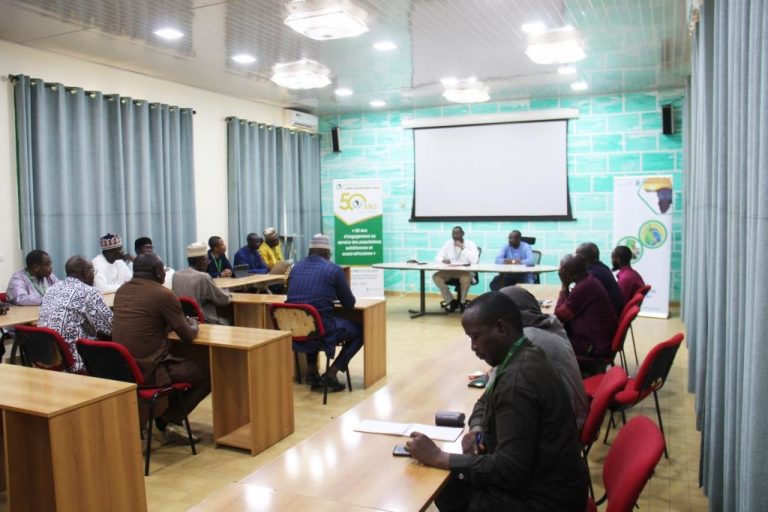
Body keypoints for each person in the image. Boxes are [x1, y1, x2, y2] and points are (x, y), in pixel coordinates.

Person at [405, 292, 588, 511]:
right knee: (453, 486)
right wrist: (477, 429)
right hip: (551, 485)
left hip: (545, 500)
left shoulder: (517, 381)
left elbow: (509, 469)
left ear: (501, 328)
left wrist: (438, 457)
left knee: (448, 488)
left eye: (475, 337)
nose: (473, 347)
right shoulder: (523, 353)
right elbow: (484, 401)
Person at [112, 253, 209, 443]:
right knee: (207, 373)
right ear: (157, 272)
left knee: (182, 362)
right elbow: (188, 336)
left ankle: (165, 416)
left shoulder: (122, 291)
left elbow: (147, 321)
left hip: (125, 368)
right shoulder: (163, 294)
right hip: (149, 368)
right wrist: (193, 324)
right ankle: (169, 420)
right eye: (163, 270)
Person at [499, 285, 589, 430]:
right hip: (572, 417)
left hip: (564, 430)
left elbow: (495, 390)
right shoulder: (550, 323)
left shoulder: (527, 338)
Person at [286, 234, 362, 392]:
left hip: (296, 327)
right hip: (321, 329)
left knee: (311, 322)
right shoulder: (334, 270)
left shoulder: (295, 268)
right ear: (327, 253)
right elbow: (349, 303)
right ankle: (332, 373)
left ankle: (311, 372)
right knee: (361, 330)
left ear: (310, 252)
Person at [37, 256, 113, 373]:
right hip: (76, 361)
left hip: (48, 358)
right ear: (86, 273)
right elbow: (110, 328)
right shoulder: (88, 292)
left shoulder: (51, 289)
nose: (94, 276)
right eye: (93, 272)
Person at [555, 254, 617, 373]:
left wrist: (564, 286)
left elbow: (559, 316)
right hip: (599, 341)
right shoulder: (589, 281)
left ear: (565, 271)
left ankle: (564, 380)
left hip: (593, 347)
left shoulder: (583, 287)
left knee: (549, 342)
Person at [173, 242, 232, 325]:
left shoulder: (176, 275)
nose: (208, 263)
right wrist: (228, 291)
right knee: (230, 318)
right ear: (201, 261)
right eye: (207, 260)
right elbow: (223, 299)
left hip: (183, 321)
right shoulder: (203, 277)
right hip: (203, 320)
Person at [433, 226, 480, 312]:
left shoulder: (470, 244)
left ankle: (462, 302)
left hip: (465, 272)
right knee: (436, 277)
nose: (455, 236)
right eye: (453, 234)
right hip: (450, 271)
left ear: (463, 234)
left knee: (466, 278)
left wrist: (463, 247)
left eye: (457, 233)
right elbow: (437, 257)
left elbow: (475, 261)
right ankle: (451, 301)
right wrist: (443, 260)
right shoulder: (448, 244)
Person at [575, 242, 624, 315]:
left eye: (576, 257)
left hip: (606, 316)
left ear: (583, 259)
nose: (575, 260)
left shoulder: (592, 275)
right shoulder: (603, 267)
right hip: (611, 313)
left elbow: (576, 302)